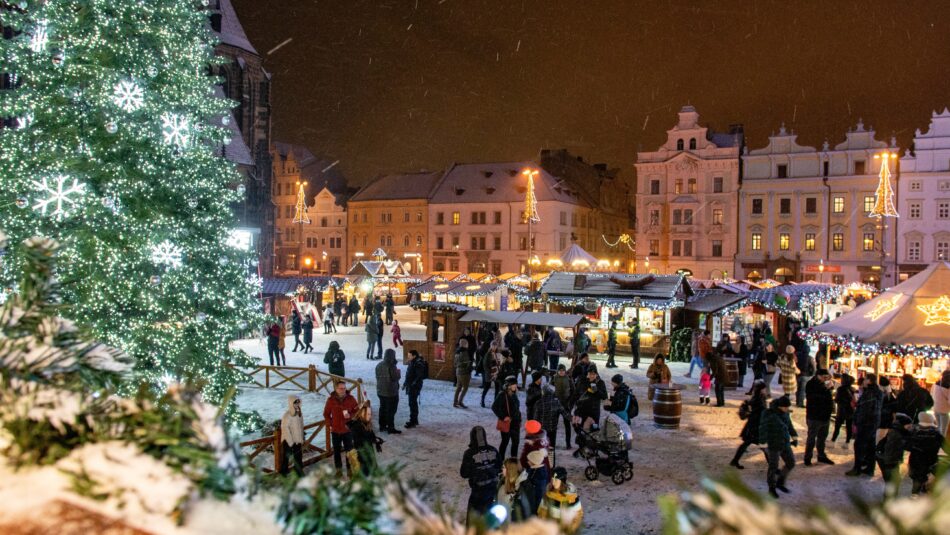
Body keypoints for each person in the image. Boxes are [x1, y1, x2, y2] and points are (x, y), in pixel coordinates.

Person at [459, 426, 501, 527]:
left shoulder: (469, 453)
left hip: (478, 491)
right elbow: (499, 467)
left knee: (473, 518)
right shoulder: (493, 450)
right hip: (493, 489)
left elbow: (464, 473)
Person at [759, 395, 797, 498]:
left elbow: (789, 425)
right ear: (781, 406)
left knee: (791, 463)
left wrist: (794, 437)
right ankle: (772, 488)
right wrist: (763, 442)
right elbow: (763, 428)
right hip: (773, 444)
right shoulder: (769, 414)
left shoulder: (785, 414)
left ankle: (780, 482)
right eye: (786, 407)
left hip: (785, 442)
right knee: (773, 467)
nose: (788, 409)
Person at [846, 373, 883, 477]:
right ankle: (870, 468)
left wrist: (857, 421)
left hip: (866, 423)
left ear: (869, 381)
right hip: (874, 422)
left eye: (865, 379)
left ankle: (857, 468)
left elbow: (865, 409)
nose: (863, 381)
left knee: (859, 445)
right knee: (871, 446)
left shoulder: (869, 393)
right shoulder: (878, 392)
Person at [730, 380, 768, 469]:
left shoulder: (756, 398)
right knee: (764, 446)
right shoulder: (759, 399)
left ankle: (734, 460)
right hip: (756, 425)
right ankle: (773, 467)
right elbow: (762, 411)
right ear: (761, 389)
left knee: (746, 444)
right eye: (764, 388)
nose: (766, 390)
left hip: (752, 425)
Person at [906, 412, 948, 495]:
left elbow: (907, 446)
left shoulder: (913, 431)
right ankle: (926, 488)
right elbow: (945, 446)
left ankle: (915, 493)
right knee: (929, 474)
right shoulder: (936, 433)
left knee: (917, 478)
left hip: (916, 460)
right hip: (931, 459)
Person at [324, 381, 358, 474]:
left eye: (344, 388)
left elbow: (357, 411)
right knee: (337, 452)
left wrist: (350, 415)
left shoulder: (351, 399)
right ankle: (338, 470)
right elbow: (326, 414)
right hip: (335, 431)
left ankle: (349, 469)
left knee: (349, 451)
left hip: (347, 430)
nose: (343, 390)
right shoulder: (331, 400)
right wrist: (330, 424)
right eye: (340, 388)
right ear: (336, 389)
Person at [803, 369, 835, 466]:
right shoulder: (811, 384)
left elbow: (829, 398)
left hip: (825, 416)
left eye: (827, 377)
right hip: (814, 416)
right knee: (811, 439)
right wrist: (826, 389)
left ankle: (821, 455)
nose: (825, 379)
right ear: (818, 376)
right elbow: (814, 398)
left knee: (822, 438)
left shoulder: (825, 384)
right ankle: (807, 458)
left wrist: (829, 389)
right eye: (824, 377)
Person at [537, 466, 583, 533]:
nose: (553, 482)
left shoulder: (571, 496)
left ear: (562, 481)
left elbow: (578, 515)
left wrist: (571, 529)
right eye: (552, 479)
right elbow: (542, 513)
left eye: (556, 480)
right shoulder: (548, 496)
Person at [877, 413, 913, 498]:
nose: (910, 427)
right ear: (903, 424)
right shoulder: (898, 435)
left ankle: (889, 500)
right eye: (908, 425)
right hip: (889, 461)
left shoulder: (895, 430)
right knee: (893, 483)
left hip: (886, 459)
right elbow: (908, 446)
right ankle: (889, 502)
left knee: (891, 483)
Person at [519, 420, 550, 518]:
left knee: (533, 495)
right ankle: (540, 511)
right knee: (541, 494)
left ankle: (534, 515)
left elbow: (524, 459)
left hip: (534, 472)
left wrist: (522, 467)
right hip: (545, 469)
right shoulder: (544, 440)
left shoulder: (531, 444)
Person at [532, 383, 568, 464]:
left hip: (542, 431)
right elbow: (565, 414)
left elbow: (535, 419)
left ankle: (542, 466)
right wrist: (573, 419)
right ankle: (551, 467)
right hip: (552, 430)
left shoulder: (539, 403)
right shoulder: (556, 402)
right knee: (551, 449)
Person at [347, 401, 383, 476]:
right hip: (362, 455)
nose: (370, 416)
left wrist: (376, 442)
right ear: (362, 413)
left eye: (370, 414)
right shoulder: (356, 425)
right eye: (368, 414)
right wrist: (369, 440)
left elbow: (371, 434)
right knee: (366, 473)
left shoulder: (366, 423)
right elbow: (358, 442)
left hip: (369, 452)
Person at [493, 376, 522, 460]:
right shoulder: (502, 394)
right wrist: (503, 417)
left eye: (516, 384)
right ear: (509, 385)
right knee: (505, 442)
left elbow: (516, 408)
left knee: (516, 443)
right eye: (514, 384)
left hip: (515, 422)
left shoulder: (514, 394)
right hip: (507, 423)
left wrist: (519, 419)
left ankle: (514, 461)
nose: (516, 386)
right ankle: (501, 461)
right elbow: (494, 407)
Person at [375, 349, 401, 434]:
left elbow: (377, 376)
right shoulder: (392, 366)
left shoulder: (379, 364)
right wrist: (398, 372)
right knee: (391, 410)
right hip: (391, 392)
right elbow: (395, 377)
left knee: (382, 408)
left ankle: (382, 426)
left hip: (380, 391)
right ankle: (391, 427)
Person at [496, 458, 529, 526]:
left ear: (510, 470)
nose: (502, 469)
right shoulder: (503, 481)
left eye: (504, 467)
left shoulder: (523, 487)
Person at [280, 395, 305, 476]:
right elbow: (285, 428)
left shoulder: (299, 414)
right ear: (291, 403)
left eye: (298, 402)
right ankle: (284, 473)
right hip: (288, 440)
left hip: (297, 439)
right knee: (286, 457)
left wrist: (301, 438)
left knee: (298, 456)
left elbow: (301, 426)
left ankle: (299, 471)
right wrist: (290, 442)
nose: (297, 404)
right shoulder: (287, 415)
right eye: (295, 403)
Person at [551, 364, 575, 449]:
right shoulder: (554, 378)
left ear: (565, 371)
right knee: (553, 424)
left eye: (563, 370)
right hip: (556, 404)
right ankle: (552, 443)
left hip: (566, 405)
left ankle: (568, 443)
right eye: (560, 370)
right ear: (557, 371)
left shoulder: (569, 379)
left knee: (567, 424)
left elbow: (573, 391)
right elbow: (550, 389)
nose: (561, 372)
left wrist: (570, 402)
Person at [403, 349, 427, 428]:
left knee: (412, 403)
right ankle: (414, 420)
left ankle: (413, 421)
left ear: (414, 356)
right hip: (411, 385)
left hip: (414, 387)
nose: (408, 357)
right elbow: (408, 374)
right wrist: (405, 383)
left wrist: (413, 384)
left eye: (409, 356)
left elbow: (418, 376)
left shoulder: (418, 363)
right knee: (412, 403)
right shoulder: (413, 362)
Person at [831, 374, 856, 444]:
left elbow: (837, 400)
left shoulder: (840, 389)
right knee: (849, 427)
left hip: (842, 410)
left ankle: (833, 440)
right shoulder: (853, 389)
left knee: (837, 427)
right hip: (850, 410)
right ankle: (847, 442)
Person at [793, 334, 814, 408]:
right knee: (803, 389)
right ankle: (800, 403)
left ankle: (797, 400)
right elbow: (813, 367)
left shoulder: (798, 356)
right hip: (806, 375)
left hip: (798, 374)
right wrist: (811, 374)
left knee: (798, 388)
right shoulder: (810, 358)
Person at [454, 339, 473, 408]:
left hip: (458, 371)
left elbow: (455, 363)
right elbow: (467, 363)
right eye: (467, 344)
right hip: (464, 373)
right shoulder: (465, 352)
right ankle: (460, 402)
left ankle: (455, 402)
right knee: (465, 388)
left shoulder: (457, 351)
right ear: (465, 344)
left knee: (458, 387)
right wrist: (470, 367)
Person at [481, 342, 500, 407]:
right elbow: (485, 364)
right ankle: (482, 400)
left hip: (496, 373)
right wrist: (489, 372)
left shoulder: (497, 353)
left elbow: (499, 362)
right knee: (487, 387)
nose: (494, 347)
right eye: (493, 346)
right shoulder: (488, 354)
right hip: (489, 373)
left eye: (495, 346)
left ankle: (496, 402)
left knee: (497, 387)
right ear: (491, 346)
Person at [931, 370, 950, 435]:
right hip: (944, 411)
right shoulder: (948, 387)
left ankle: (937, 443)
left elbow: (932, 394)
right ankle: (940, 444)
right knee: (943, 431)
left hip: (936, 409)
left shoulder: (936, 384)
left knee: (938, 428)